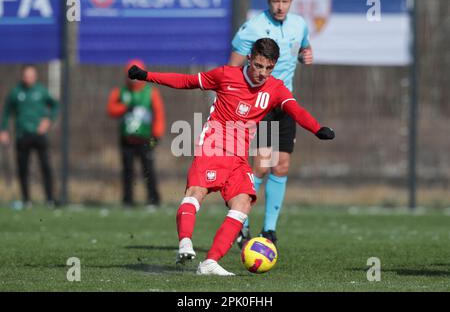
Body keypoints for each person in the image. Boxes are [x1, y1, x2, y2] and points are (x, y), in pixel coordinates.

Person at [128, 38, 334, 276]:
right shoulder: (225, 75)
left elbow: (295, 110)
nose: (262, 73)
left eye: (268, 68)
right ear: (249, 59)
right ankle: (185, 242)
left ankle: (210, 263)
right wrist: (147, 76)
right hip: (213, 147)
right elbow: (186, 81)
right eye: (258, 66)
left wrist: (318, 129)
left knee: (243, 203)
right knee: (196, 192)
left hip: (238, 158)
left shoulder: (276, 88)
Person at [229, 0, 313, 247]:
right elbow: (232, 68)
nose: (280, 6)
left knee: (282, 166)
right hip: (259, 104)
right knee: (261, 166)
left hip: (284, 103)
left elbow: (304, 48)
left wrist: (305, 55)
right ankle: (242, 225)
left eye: (284, 1)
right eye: (275, 1)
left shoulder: (299, 24)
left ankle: (269, 231)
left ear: (291, 1)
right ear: (268, 2)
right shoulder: (253, 27)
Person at [107, 60, 166, 208]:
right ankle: (128, 200)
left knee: (148, 169)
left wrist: (157, 135)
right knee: (127, 170)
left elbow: (159, 114)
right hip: (126, 138)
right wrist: (124, 108)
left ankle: (154, 199)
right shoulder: (121, 92)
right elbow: (111, 109)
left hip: (146, 139)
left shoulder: (150, 92)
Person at [0, 64, 59, 208]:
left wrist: (48, 120)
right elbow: (6, 112)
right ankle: (27, 200)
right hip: (22, 134)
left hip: (39, 134)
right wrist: (3, 130)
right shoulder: (16, 92)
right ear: (22, 76)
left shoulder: (41, 91)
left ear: (36, 76)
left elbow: (55, 105)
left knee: (45, 166)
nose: (29, 79)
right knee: (23, 168)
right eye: (26, 76)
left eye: (31, 76)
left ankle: (50, 199)